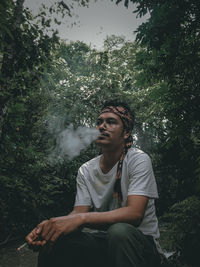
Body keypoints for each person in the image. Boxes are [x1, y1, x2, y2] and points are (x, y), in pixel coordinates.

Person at [26, 99, 162, 267]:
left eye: (111, 122)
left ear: (126, 132)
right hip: (105, 242)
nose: (102, 126)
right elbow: (78, 213)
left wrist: (82, 219)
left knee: (119, 231)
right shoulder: (86, 169)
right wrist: (53, 226)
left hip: (141, 245)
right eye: (99, 122)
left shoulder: (138, 160)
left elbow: (134, 214)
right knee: (58, 240)